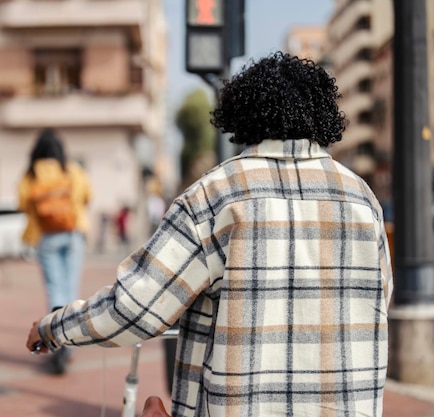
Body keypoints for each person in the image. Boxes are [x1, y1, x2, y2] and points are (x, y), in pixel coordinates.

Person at [26, 52, 393, 416]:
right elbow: (379, 299)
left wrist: (53, 328)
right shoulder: (362, 198)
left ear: (243, 114)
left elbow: (135, 308)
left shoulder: (215, 194)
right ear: (323, 115)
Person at [19, 128, 91, 374]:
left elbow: (22, 203)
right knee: (71, 292)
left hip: (46, 237)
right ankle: (69, 344)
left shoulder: (31, 175)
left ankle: (57, 346)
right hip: (73, 234)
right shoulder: (71, 170)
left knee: (55, 291)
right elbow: (88, 195)